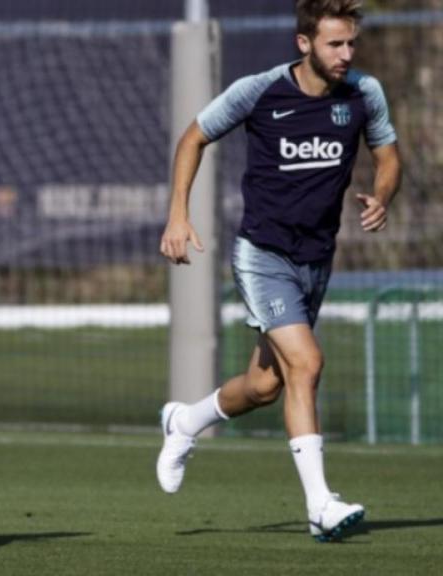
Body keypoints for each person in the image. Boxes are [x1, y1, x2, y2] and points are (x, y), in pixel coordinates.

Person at [157, 0, 400, 542]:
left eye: (351, 43)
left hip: (318, 257)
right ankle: (320, 505)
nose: (346, 54)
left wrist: (382, 195)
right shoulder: (259, 90)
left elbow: (387, 155)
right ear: (304, 44)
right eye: (335, 44)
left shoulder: (364, 93)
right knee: (307, 363)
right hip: (263, 254)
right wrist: (178, 213)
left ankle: (184, 422)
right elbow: (192, 137)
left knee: (266, 386)